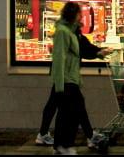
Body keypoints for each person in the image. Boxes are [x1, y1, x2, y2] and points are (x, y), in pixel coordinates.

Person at [37, 19, 112, 149]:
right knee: (77, 105)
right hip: (66, 77)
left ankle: (43, 134)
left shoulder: (72, 34)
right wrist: (98, 52)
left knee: (54, 104)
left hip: (65, 75)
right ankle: (88, 137)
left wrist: (99, 51)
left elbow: (84, 46)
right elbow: (82, 49)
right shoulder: (68, 35)